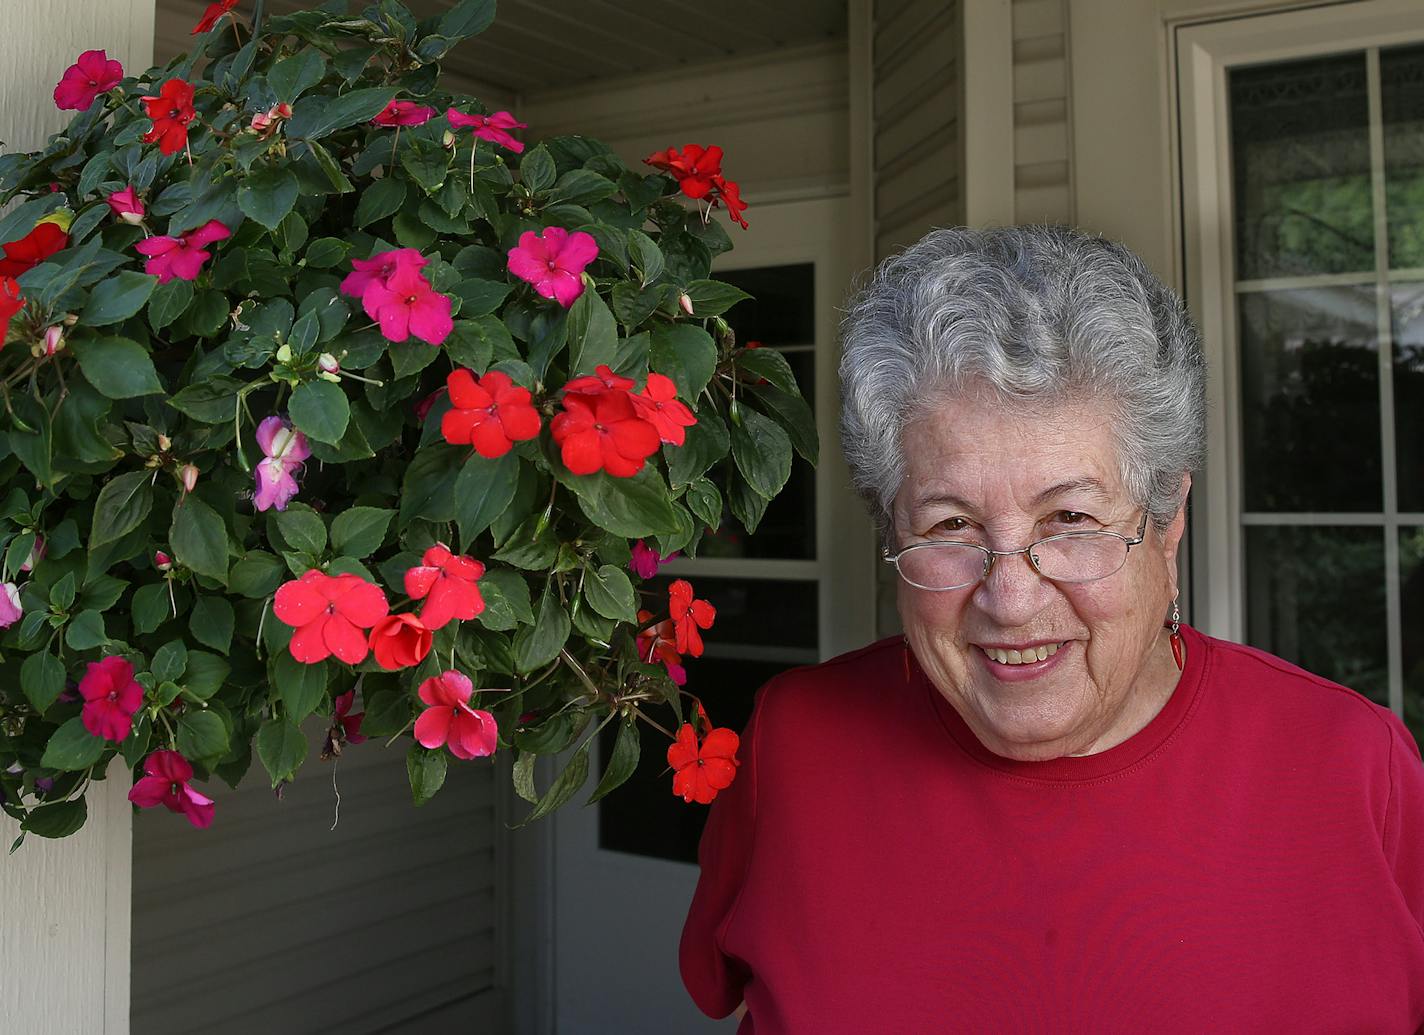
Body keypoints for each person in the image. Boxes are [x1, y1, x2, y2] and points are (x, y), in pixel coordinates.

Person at [679, 225, 1424, 1032]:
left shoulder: (1355, 769)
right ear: (893, 533)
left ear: (1167, 519)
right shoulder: (794, 746)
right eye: (952, 524)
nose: (1010, 596)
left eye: (1070, 517)